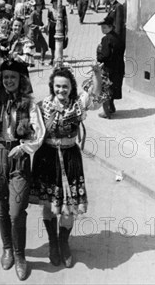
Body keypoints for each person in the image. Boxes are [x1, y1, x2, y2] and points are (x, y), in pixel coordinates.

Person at [30, 65, 103, 268]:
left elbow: (95, 97)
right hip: (47, 159)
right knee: (49, 205)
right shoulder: (42, 105)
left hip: (70, 159)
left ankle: (64, 243)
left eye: (65, 87)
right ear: (52, 87)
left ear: (71, 87)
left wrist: (97, 74)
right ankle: (53, 244)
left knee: (69, 209)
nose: (61, 90)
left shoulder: (77, 104)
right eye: (58, 86)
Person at [0, 60, 45, 281]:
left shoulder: (29, 104)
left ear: (22, 80)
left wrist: (23, 147)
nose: (9, 81)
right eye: (5, 77)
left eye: (14, 77)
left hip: (18, 157)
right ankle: (7, 248)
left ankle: (20, 256)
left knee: (17, 211)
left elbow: (39, 134)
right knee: (1, 207)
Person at [96, 15, 125, 118]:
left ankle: (106, 112)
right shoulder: (118, 37)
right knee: (113, 88)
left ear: (110, 27)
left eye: (104, 27)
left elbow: (105, 55)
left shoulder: (106, 39)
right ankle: (112, 107)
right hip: (119, 67)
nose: (102, 29)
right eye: (102, 27)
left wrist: (99, 55)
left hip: (108, 68)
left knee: (105, 89)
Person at [47, 0, 68, 66]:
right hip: (52, 27)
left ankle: (59, 56)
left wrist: (67, 27)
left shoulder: (62, 8)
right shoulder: (50, 10)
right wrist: (47, 28)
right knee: (52, 43)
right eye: (54, 2)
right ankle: (53, 57)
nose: (55, 4)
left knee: (61, 42)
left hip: (61, 26)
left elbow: (65, 18)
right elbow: (48, 20)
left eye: (56, 2)